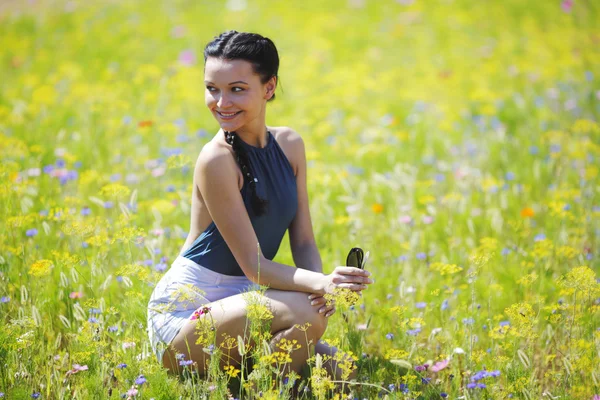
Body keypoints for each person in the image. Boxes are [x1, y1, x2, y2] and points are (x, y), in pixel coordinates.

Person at [147, 30, 373, 379]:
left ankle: (263, 385)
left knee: (342, 371)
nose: (221, 103)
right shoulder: (216, 160)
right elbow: (255, 267)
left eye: (237, 89)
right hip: (187, 319)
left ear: (269, 88)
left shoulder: (290, 145)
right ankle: (266, 385)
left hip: (247, 308)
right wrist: (318, 286)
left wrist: (326, 289)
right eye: (212, 89)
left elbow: (304, 242)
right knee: (307, 315)